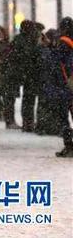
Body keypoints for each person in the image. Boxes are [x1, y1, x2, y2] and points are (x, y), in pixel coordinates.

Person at [5, 20, 42, 132]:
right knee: (27, 99)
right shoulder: (28, 40)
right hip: (26, 73)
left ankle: (26, 122)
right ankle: (27, 123)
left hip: (22, 72)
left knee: (26, 99)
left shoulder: (19, 39)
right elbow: (29, 54)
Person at [49, 17, 73, 157]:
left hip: (65, 85)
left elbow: (56, 62)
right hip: (70, 83)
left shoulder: (63, 43)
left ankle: (69, 145)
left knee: (63, 116)